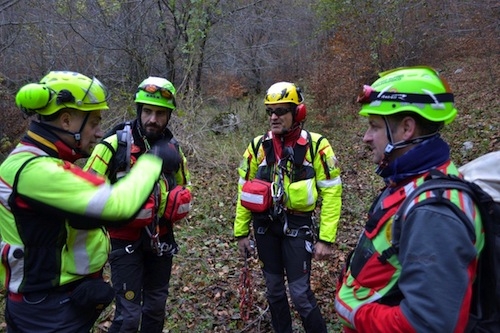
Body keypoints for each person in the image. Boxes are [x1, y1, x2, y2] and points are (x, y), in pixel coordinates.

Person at [0, 71, 182, 333]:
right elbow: (117, 204)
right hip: (47, 310)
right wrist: (153, 160)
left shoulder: (39, 162)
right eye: (94, 122)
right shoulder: (35, 170)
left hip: (53, 300)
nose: (99, 132)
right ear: (66, 121)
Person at [334, 66, 485, 332]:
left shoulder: (434, 213)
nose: (366, 137)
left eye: (374, 126)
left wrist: (355, 313)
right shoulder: (412, 181)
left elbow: (429, 324)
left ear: (406, 129)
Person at [85, 76, 191, 333]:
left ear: (168, 116)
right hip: (123, 242)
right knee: (129, 316)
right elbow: (86, 193)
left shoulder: (173, 150)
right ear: (139, 111)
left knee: (155, 307)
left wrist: (174, 202)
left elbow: (184, 187)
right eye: (148, 112)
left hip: (161, 239)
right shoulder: (113, 147)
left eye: (160, 113)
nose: (153, 119)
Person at [234, 81, 342, 332]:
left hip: (298, 225)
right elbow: (243, 189)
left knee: (301, 294)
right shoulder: (257, 147)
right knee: (273, 290)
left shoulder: (317, 146)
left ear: (298, 112)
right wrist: (241, 232)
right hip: (264, 227)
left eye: (281, 110)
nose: (274, 117)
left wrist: (326, 238)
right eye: (270, 111)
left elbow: (332, 192)